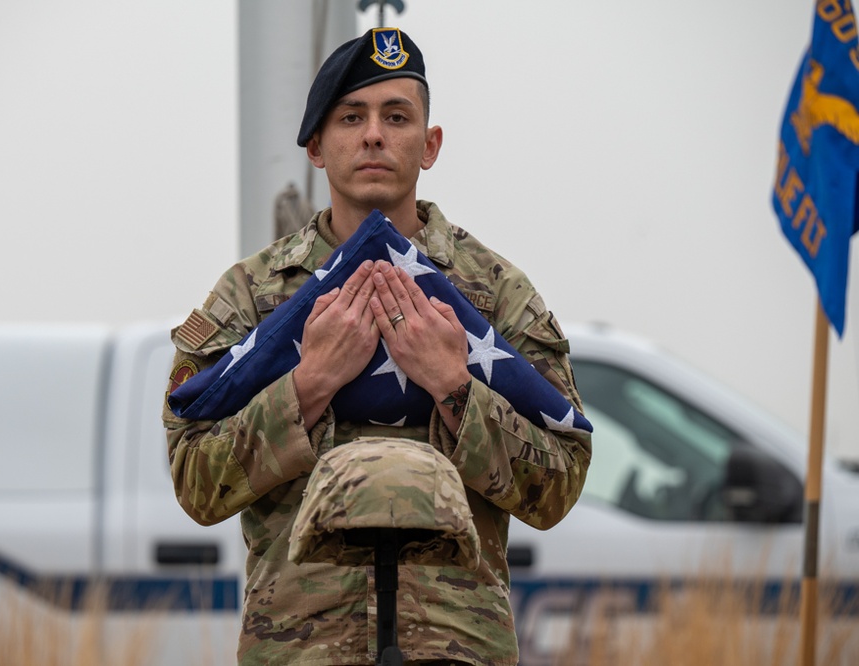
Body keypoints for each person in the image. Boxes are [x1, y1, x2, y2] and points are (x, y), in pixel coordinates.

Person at [163, 27, 592, 666]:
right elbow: (196, 484)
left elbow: (557, 486)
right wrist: (309, 385)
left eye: (397, 117)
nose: (373, 135)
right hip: (299, 649)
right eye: (351, 117)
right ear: (315, 145)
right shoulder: (252, 297)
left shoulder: (495, 294)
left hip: (457, 647)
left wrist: (454, 386)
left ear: (430, 144)